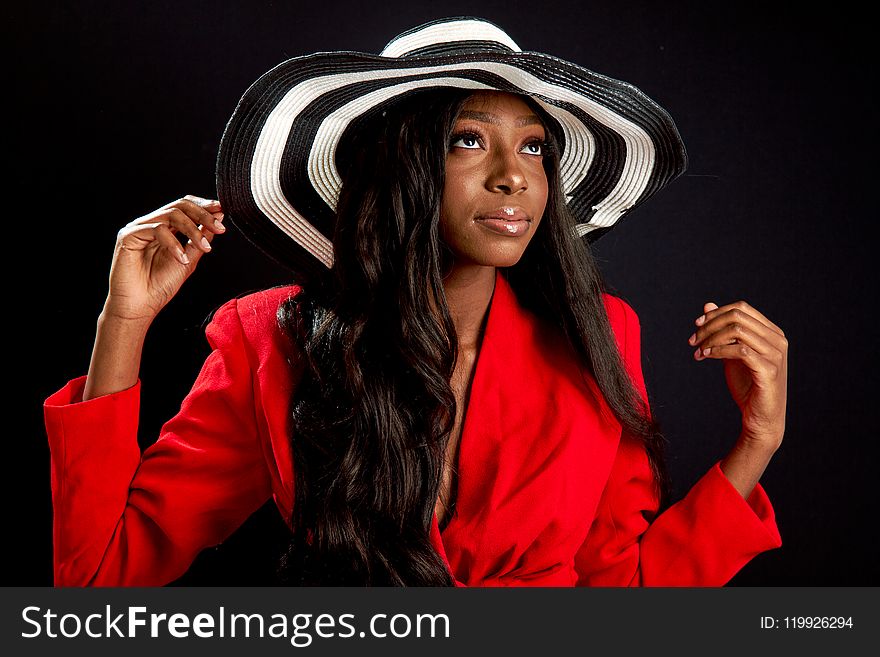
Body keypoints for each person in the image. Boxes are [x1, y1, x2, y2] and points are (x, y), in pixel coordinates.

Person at [43, 16, 788, 587]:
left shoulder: (599, 338)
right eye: (469, 140)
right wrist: (125, 321)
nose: (514, 176)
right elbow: (98, 576)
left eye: (534, 147)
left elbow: (617, 594)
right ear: (398, 165)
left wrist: (754, 442)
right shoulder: (270, 342)